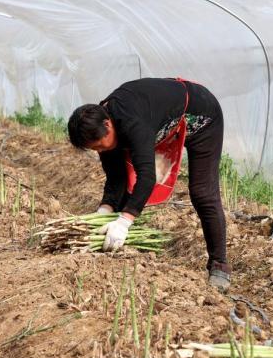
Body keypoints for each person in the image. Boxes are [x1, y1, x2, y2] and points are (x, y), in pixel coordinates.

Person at [67, 77, 231, 290]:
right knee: (124, 188)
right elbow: (116, 177)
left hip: (203, 117)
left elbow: (147, 177)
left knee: (202, 193)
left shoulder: (131, 122)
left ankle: (219, 265)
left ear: (108, 124)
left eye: (99, 146)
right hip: (167, 122)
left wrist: (125, 221)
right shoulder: (101, 125)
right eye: (94, 149)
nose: (99, 152)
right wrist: (105, 209)